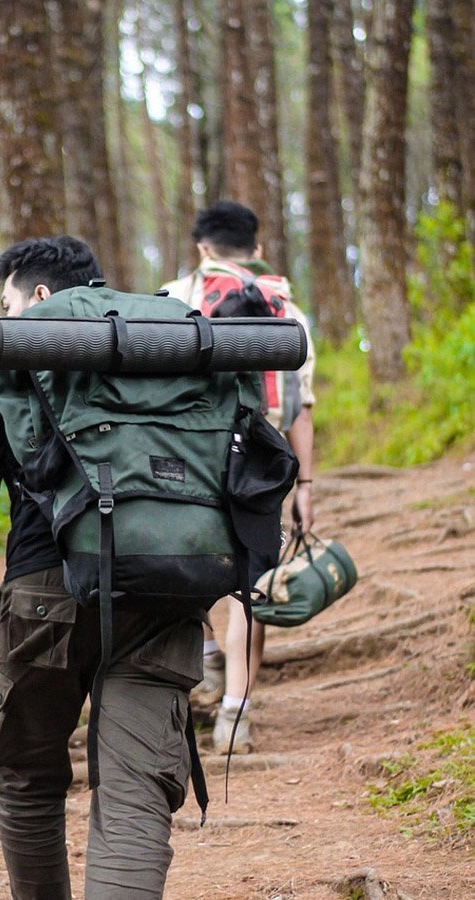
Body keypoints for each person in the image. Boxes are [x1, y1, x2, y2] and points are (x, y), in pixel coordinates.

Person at [0, 235, 205, 899]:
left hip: (42, 601)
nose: (4, 317)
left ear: (43, 297)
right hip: (163, 595)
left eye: (8, 302)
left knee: (27, 779)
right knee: (136, 794)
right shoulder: (171, 368)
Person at [161, 201, 316, 753]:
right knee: (251, 589)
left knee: (186, 568)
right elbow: (298, 405)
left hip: (185, 459)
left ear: (203, 248)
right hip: (259, 462)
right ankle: (235, 718)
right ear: (255, 249)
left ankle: (201, 665)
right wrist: (306, 488)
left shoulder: (173, 298)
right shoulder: (286, 309)